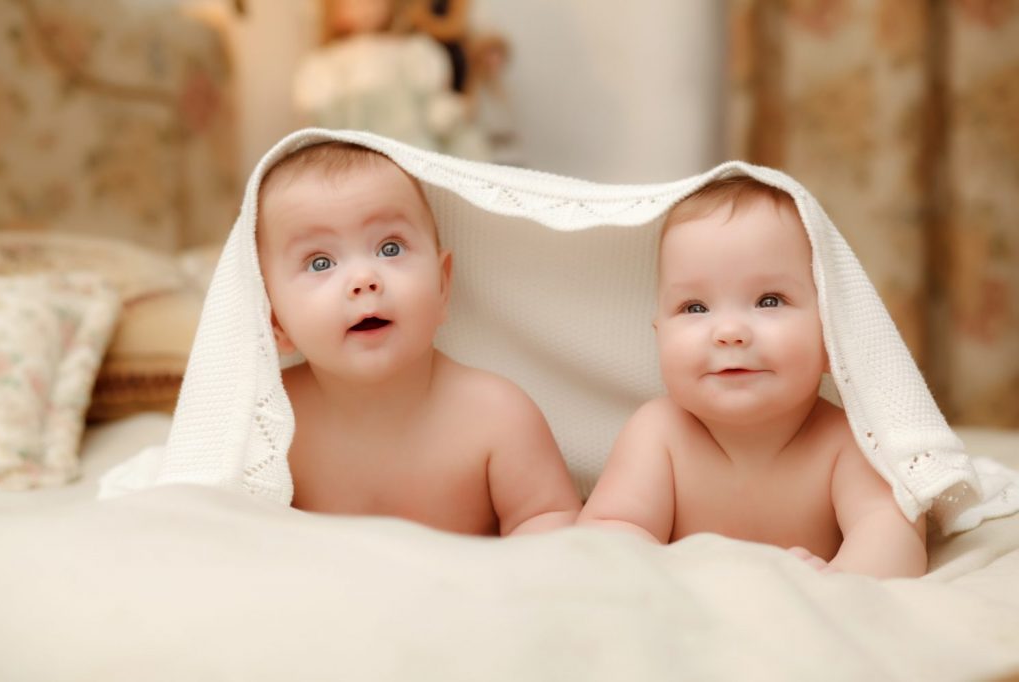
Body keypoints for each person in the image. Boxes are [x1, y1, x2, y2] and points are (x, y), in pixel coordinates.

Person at [577, 176, 927, 578]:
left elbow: (894, 534)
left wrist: (838, 583)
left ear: (833, 332)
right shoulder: (659, 434)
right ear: (659, 335)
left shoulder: (846, 441)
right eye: (694, 307)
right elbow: (606, 534)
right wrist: (677, 571)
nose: (729, 331)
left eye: (769, 301)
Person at [256, 141, 582, 536]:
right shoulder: (270, 421)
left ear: (443, 285)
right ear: (276, 322)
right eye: (320, 262)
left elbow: (551, 525)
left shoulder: (496, 416)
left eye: (389, 248)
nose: (363, 280)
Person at [293, 0, 489, 160]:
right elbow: (322, 114)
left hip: (413, 150)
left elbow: (431, 103)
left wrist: (446, 112)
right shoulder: (327, 64)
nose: (366, 7)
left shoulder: (411, 51)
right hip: (354, 156)